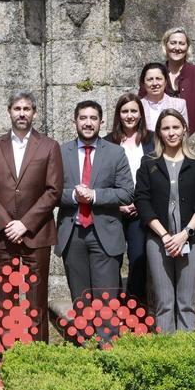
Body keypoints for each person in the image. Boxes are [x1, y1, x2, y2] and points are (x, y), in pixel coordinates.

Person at [0, 90, 62, 347]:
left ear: (34, 113)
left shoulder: (49, 146)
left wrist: (25, 224)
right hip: (1, 236)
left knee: (35, 300)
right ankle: (8, 355)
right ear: (9, 112)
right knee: (4, 297)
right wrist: (7, 223)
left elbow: (53, 190)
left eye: (26, 109)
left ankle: (37, 356)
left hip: (36, 234)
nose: (21, 113)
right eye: (17, 109)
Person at [133, 108, 195, 333]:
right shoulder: (149, 163)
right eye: (165, 128)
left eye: (175, 127)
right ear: (159, 132)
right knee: (164, 303)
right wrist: (166, 236)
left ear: (185, 129)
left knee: (186, 303)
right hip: (159, 240)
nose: (171, 133)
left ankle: (186, 353)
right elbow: (142, 200)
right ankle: (167, 352)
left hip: (191, 238)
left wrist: (185, 233)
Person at [56, 100, 135, 304]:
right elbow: (50, 192)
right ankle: (83, 337)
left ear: (101, 122)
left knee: (106, 301)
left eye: (93, 118)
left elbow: (127, 193)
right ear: (75, 122)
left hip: (105, 234)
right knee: (80, 300)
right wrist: (74, 197)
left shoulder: (115, 153)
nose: (88, 123)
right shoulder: (60, 153)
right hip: (72, 234)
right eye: (83, 118)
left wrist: (94, 196)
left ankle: (106, 338)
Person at [107, 92, 154, 305]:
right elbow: (102, 178)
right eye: (124, 111)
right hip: (113, 210)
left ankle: (135, 311)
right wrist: (118, 204)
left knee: (138, 261)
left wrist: (140, 203)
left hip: (140, 210)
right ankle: (115, 307)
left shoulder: (152, 139)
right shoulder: (107, 142)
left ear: (141, 114)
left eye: (134, 111)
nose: (129, 115)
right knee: (111, 261)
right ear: (118, 115)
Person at [160, 28, 195, 132]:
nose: (177, 48)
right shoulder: (154, 73)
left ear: (187, 47)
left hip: (192, 135)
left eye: (181, 43)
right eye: (173, 43)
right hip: (160, 137)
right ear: (165, 45)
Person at [139, 62, 188, 132]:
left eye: (158, 79)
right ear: (143, 83)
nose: (155, 83)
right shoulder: (138, 106)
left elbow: (184, 132)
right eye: (150, 79)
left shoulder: (179, 105)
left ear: (165, 82)